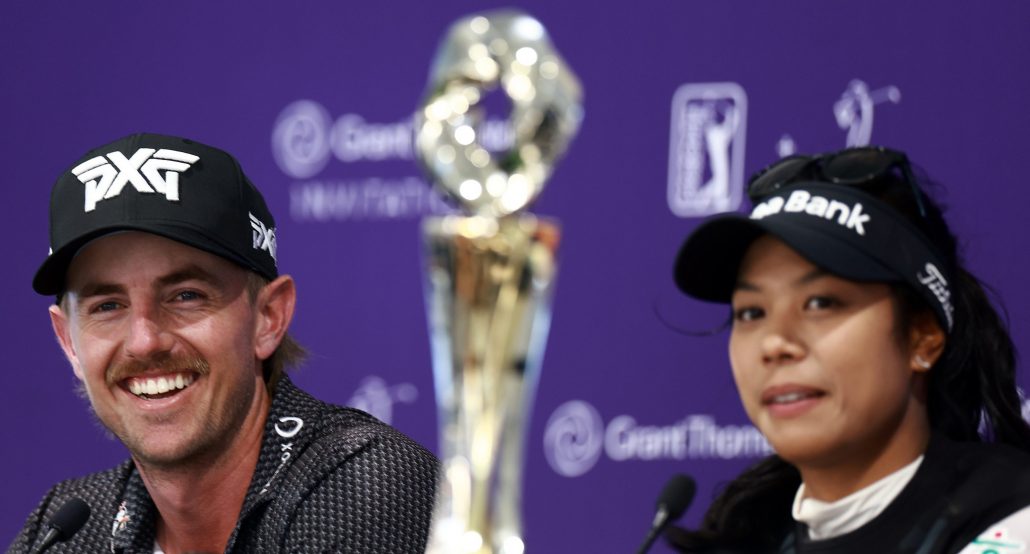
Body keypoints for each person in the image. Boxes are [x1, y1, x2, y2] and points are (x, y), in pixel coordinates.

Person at [9, 133, 439, 554]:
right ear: (68, 341)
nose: (143, 341)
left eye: (185, 296)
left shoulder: (363, 487)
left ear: (268, 317)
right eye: (107, 306)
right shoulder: (70, 532)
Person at [667, 146, 1030, 553]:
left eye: (821, 303)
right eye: (752, 312)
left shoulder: (1010, 517)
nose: (774, 344)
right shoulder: (748, 535)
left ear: (923, 337)